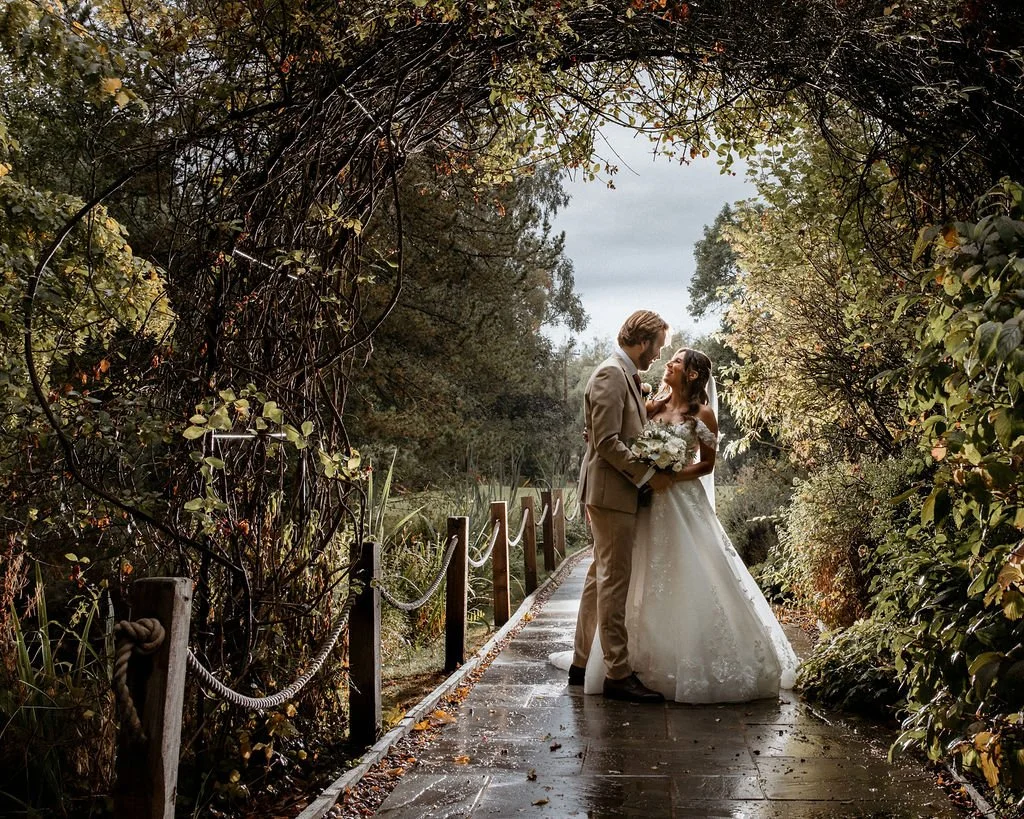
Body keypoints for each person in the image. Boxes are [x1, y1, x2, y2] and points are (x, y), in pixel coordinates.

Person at [575, 348, 799, 701]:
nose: (668, 364)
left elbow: (707, 466)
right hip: (646, 501)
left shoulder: (703, 415)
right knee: (636, 576)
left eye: (676, 362)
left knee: (687, 572)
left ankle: (688, 654)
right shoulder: (653, 407)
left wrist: (672, 474)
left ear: (692, 374)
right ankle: (623, 659)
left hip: (681, 501)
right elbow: (622, 434)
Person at [566, 310, 674, 703]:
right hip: (612, 494)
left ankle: (581, 664)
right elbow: (609, 443)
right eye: (658, 347)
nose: (658, 356)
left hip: (610, 493)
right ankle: (617, 673)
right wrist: (648, 477)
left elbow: (607, 433)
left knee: (599, 577)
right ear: (643, 341)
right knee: (614, 580)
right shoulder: (612, 374)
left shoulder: (626, 376)